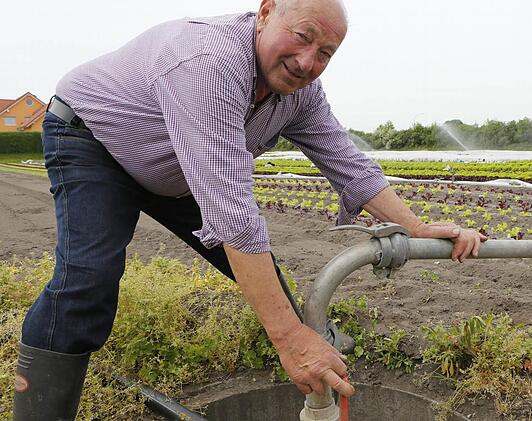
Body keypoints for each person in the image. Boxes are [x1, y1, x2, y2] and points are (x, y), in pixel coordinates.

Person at [12, 0, 487, 418]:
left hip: (172, 167)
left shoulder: (299, 92)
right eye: (302, 38)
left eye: (326, 53)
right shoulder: (209, 61)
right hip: (95, 141)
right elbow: (232, 210)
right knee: (88, 280)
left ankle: (309, 372)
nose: (308, 61)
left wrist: (417, 226)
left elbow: (348, 163)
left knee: (271, 285)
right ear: (264, 12)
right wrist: (289, 339)